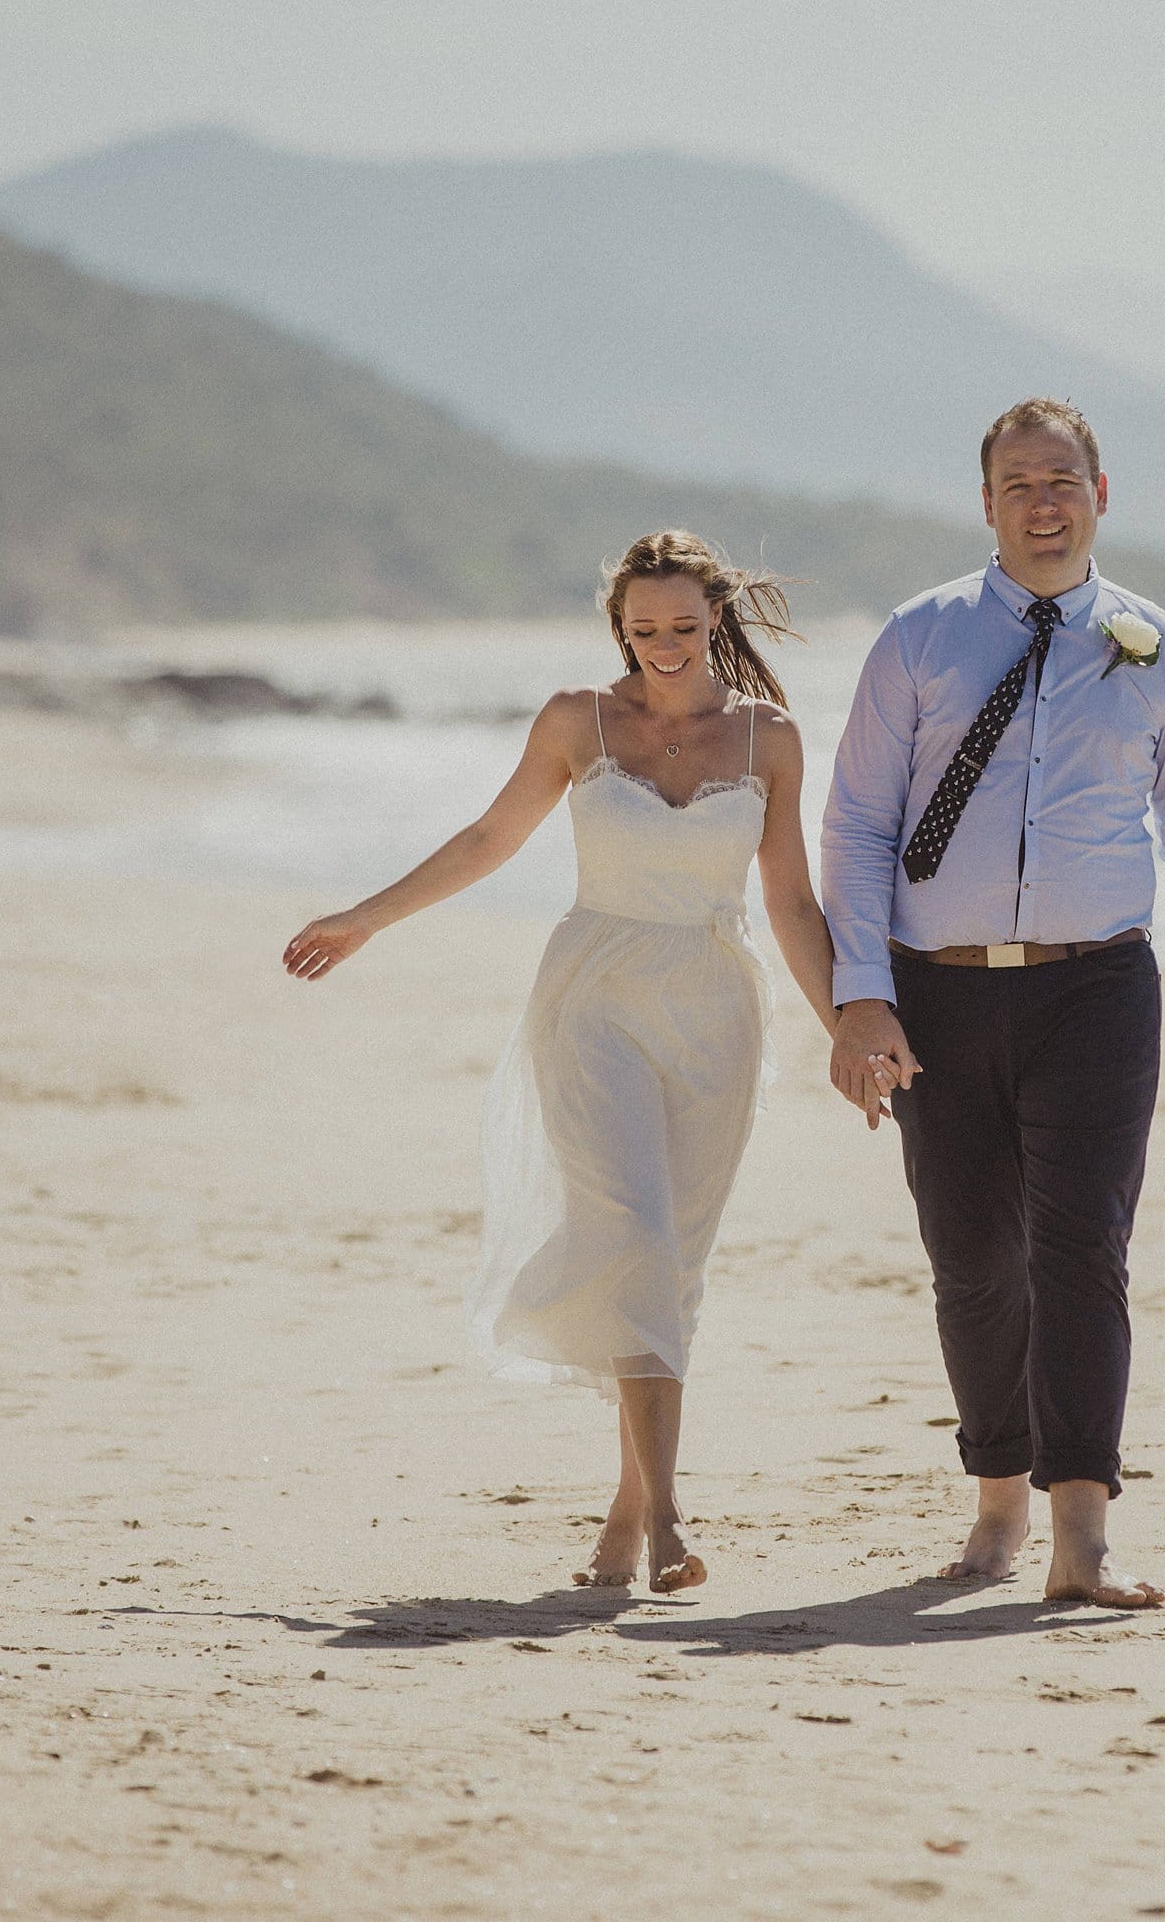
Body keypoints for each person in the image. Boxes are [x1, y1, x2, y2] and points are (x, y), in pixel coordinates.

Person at [282, 531, 854, 1595]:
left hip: (716, 1008)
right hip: (593, 997)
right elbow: (491, 838)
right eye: (644, 630)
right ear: (618, 629)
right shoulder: (576, 720)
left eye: (684, 627)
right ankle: (673, 1517)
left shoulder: (769, 738)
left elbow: (788, 900)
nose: (666, 647)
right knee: (634, 1232)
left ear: (717, 619)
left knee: (673, 1262)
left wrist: (850, 1028)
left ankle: (627, 1507)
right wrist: (367, 918)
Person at [819, 398, 1165, 1610]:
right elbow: (856, 824)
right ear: (987, 504)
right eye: (1018, 484)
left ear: (1101, 493)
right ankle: (998, 1498)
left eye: (1062, 479)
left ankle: (1084, 1530)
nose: (1043, 502)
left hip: (1099, 987)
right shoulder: (918, 640)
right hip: (937, 993)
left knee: (1082, 1249)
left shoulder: (1156, 648)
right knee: (971, 1259)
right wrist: (860, 997)